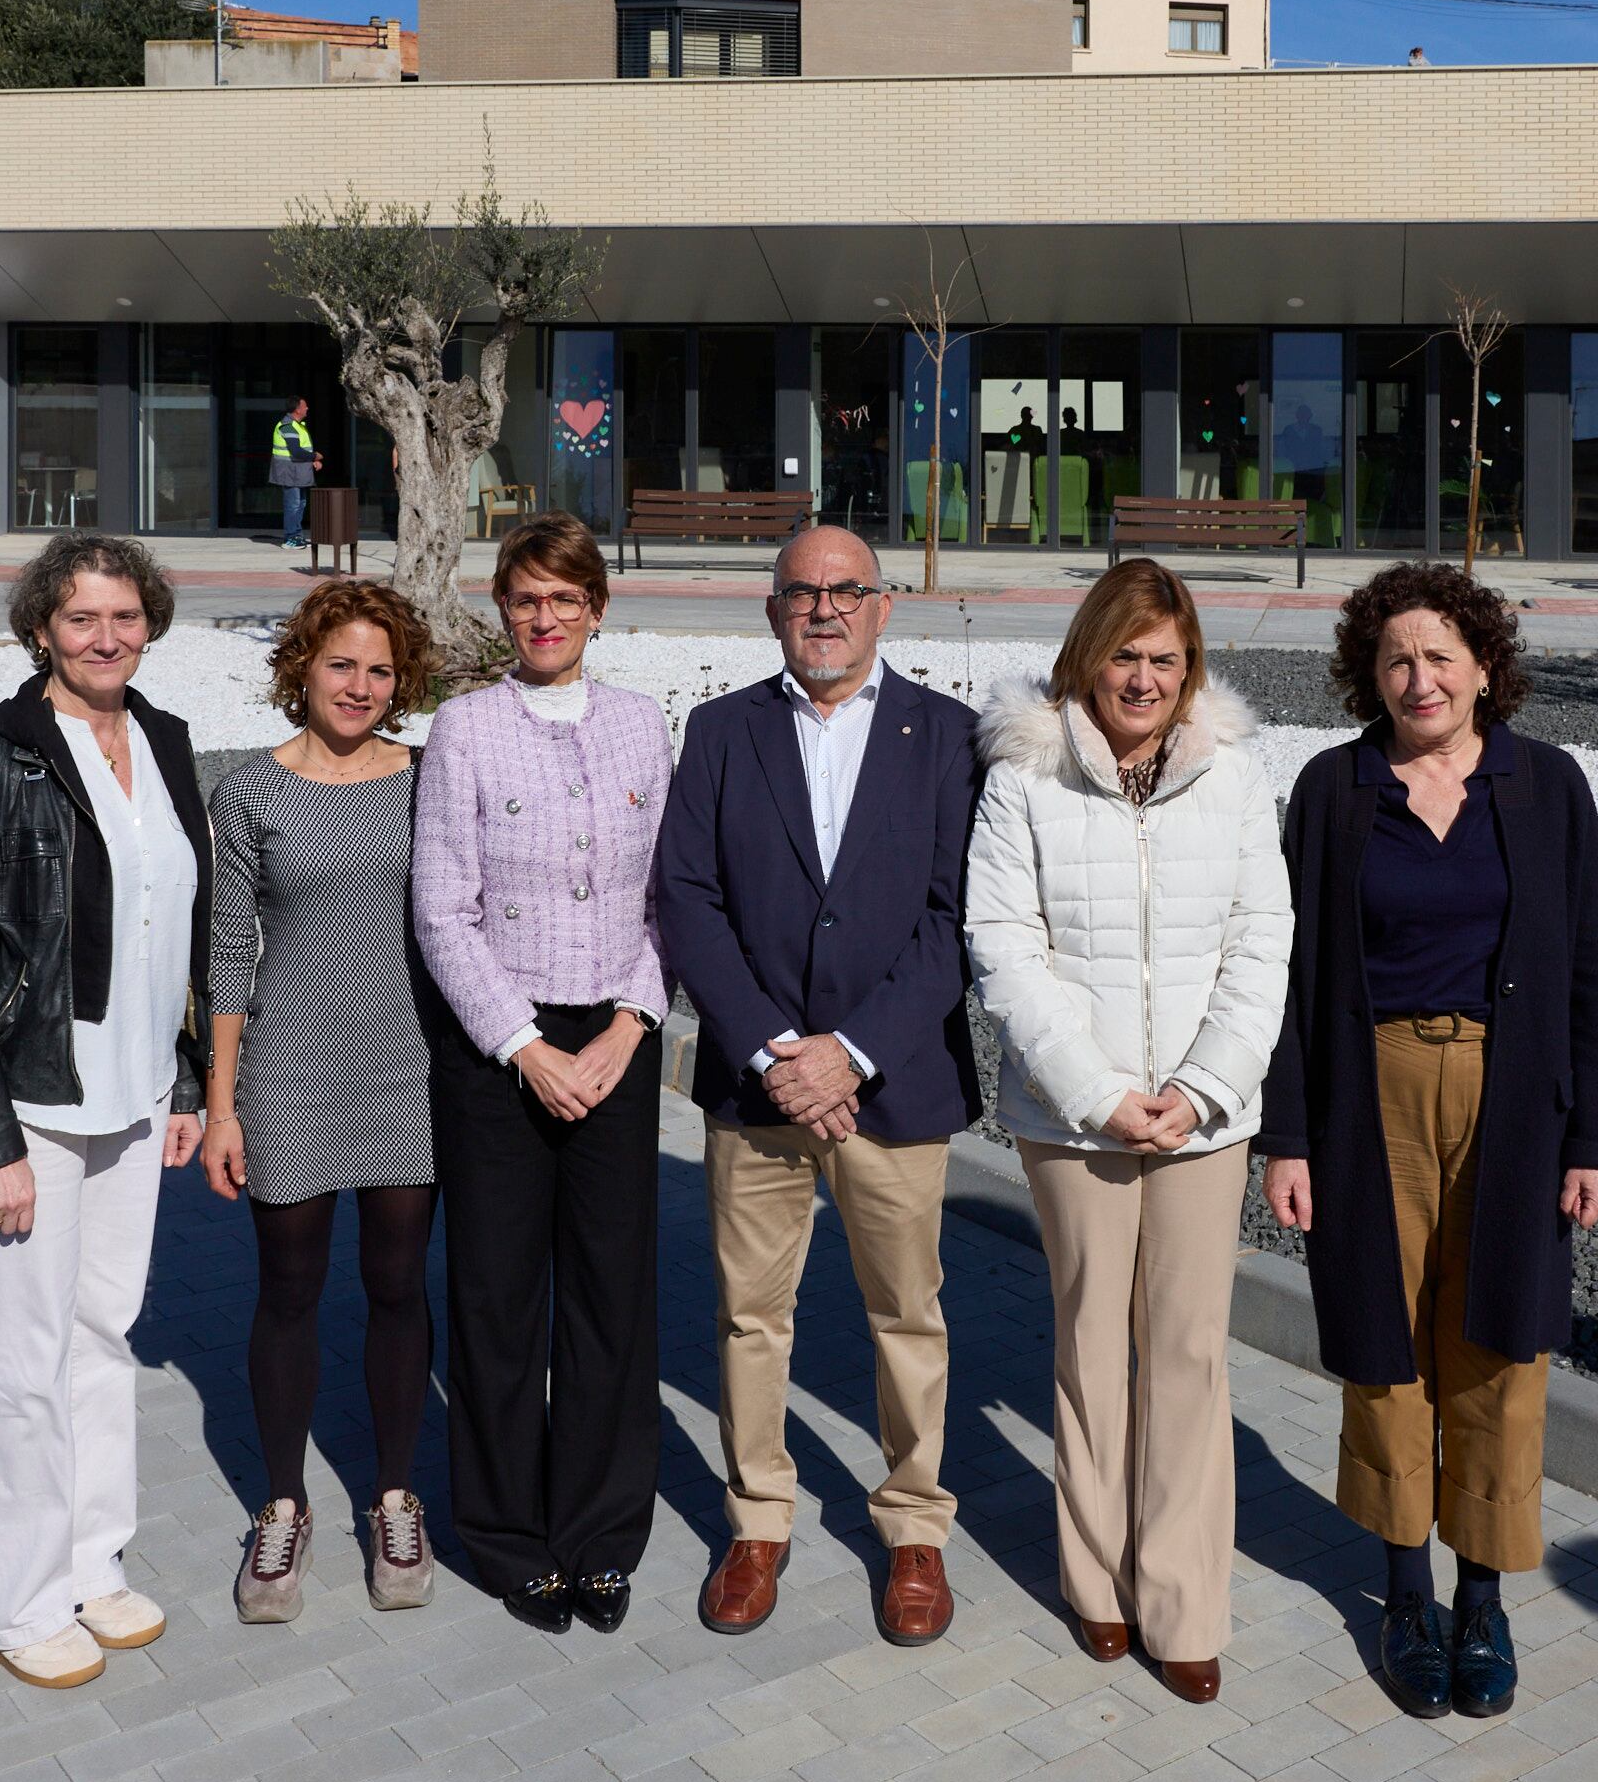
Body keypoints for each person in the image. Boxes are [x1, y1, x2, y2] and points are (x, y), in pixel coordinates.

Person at [1258, 562, 1598, 1722]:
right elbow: (1289, 975)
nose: (1419, 678)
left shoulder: (1547, 784)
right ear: (1368, 675)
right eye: (1396, 659)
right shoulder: (1333, 789)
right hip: (1369, 1090)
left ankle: (1483, 1593)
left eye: (1439, 656)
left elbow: (1592, 966)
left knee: (1499, 1342)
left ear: (1483, 666)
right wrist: (1288, 1135)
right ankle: (1405, 1590)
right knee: (1386, 1340)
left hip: (1512, 1093)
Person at [963, 560, 1292, 1705]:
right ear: (1086, 657)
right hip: (1075, 1116)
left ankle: (1183, 1598)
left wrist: (1204, 1085)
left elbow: (1263, 937)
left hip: (1205, 1116)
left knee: (1189, 1352)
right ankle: (1097, 1578)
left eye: (1165, 658)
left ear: (1189, 667)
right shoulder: (1026, 774)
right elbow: (1002, 942)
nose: (1143, 678)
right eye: (1124, 654)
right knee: (1094, 1343)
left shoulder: (1233, 773)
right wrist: (1098, 1091)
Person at [655, 524, 984, 1647]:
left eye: (847, 590)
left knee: (908, 1315)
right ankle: (758, 1519)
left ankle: (915, 1527)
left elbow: (954, 916)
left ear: (885, 606)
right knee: (751, 1315)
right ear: (773, 610)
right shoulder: (721, 729)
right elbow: (687, 897)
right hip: (759, 1089)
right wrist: (773, 1049)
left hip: (893, 1084)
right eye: (802, 592)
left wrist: (852, 1051)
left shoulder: (947, 735)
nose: (825, 609)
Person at [0, 532, 211, 1690]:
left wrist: (186, 1080)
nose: (106, 637)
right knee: (22, 1358)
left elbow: (174, 927)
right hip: (33, 1104)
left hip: (135, 1095)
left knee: (101, 1334)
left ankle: (91, 1559)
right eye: (82, 617)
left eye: (125, 616)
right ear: (41, 626)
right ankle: (15, 1599)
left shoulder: (164, 738)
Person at [413, 513, 673, 1634]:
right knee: (499, 1295)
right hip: (500, 1052)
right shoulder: (466, 729)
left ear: (597, 609)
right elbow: (442, 906)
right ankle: (510, 1534)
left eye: (566, 598)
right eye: (526, 598)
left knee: (612, 1297)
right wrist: (522, 1045)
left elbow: (668, 897)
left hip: (615, 1042)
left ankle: (602, 1532)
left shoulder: (642, 724)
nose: (546, 617)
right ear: (502, 610)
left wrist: (629, 1024)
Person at [200, 579, 445, 1624]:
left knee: (398, 1284)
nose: (360, 685)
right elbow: (226, 954)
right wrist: (220, 1105)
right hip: (289, 1070)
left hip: (407, 1066)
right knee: (289, 1290)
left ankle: (395, 1497)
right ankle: (283, 1505)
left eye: (381, 670)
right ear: (300, 666)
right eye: (341, 663)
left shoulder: (429, 779)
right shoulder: (250, 793)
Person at [271, 398, 322, 549]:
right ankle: (290, 538)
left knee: (300, 504)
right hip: (289, 472)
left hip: (298, 472)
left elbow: (302, 451)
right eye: (305, 406)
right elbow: (296, 451)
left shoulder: (297, 425)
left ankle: (297, 536)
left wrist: (312, 460)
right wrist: (315, 456)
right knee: (293, 505)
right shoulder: (287, 426)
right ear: (297, 409)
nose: (307, 408)